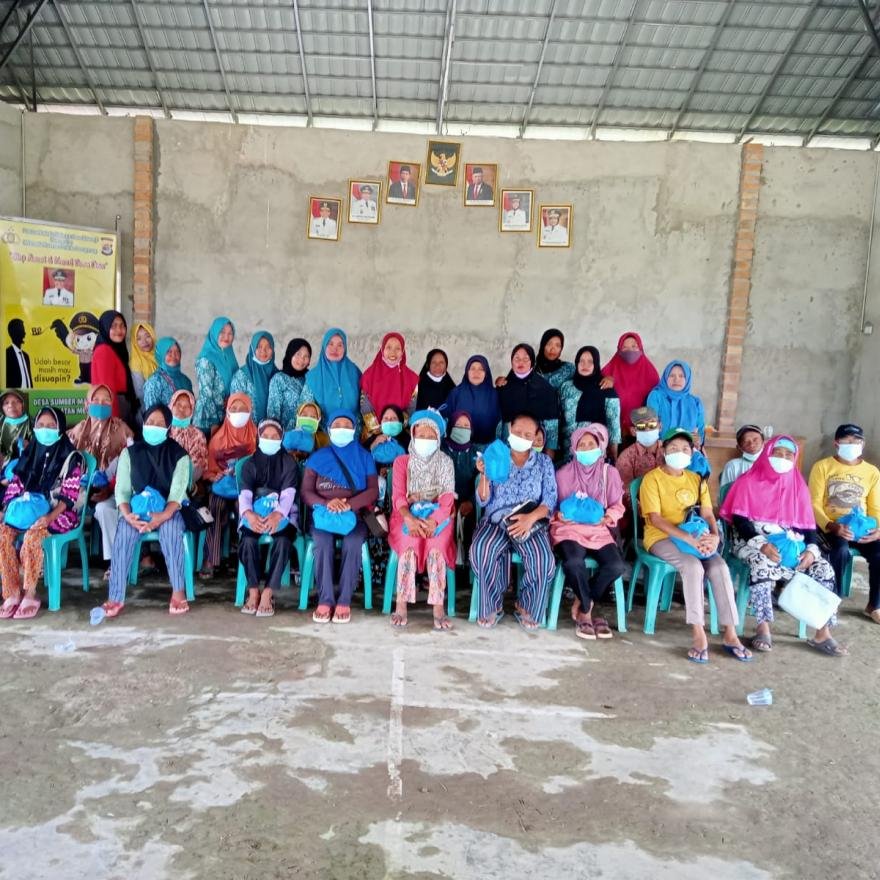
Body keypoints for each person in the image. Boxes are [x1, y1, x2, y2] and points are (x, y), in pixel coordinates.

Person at [721, 436, 847, 656]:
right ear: (767, 455)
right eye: (777, 453)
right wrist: (761, 544)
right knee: (762, 563)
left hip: (790, 543)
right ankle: (762, 627)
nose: (783, 458)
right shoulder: (748, 481)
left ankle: (822, 632)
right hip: (751, 540)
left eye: (789, 455)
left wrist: (811, 550)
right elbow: (740, 521)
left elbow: (807, 525)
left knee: (823, 568)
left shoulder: (797, 486)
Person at [639, 427, 751, 663]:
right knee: (693, 567)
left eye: (684, 449)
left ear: (692, 453)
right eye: (673, 448)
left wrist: (714, 536)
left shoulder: (696, 480)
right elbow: (655, 519)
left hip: (695, 537)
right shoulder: (652, 479)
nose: (679, 452)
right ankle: (699, 633)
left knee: (719, 567)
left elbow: (708, 513)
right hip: (661, 537)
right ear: (663, 450)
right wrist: (687, 538)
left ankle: (730, 633)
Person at [99, 404, 192, 618]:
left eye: (160, 423)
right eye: (150, 422)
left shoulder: (179, 455)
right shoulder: (130, 453)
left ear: (168, 427)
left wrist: (163, 516)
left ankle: (178, 591)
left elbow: (177, 494)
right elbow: (122, 491)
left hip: (169, 510)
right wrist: (128, 515)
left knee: (170, 530)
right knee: (124, 530)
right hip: (137, 511)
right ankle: (115, 597)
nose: (154, 426)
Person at [470, 412, 558, 630]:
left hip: (529, 522)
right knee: (482, 549)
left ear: (536, 437)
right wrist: (484, 475)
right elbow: (483, 500)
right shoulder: (497, 456)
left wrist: (530, 518)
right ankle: (492, 605)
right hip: (496, 521)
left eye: (528, 434)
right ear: (510, 430)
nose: (522, 437)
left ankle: (526, 605)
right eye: (518, 432)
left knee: (543, 559)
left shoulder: (544, 463)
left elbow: (550, 500)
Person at [0, 407, 85, 619]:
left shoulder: (71, 457)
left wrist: (48, 517)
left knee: (32, 536)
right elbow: (15, 486)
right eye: (40, 425)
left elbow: (69, 497)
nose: (45, 429)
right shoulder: (30, 453)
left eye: (51, 425)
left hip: (60, 514)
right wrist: (6, 511)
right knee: (3, 534)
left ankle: (30, 593)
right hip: (27, 511)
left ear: (60, 428)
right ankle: (12, 592)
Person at [300, 410, 379, 624]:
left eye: (347, 425)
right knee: (322, 541)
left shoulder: (364, 456)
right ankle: (325, 599)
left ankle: (344, 599)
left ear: (354, 429)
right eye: (337, 425)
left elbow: (373, 491)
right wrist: (327, 503)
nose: (342, 429)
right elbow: (306, 492)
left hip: (355, 515)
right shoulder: (318, 457)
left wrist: (349, 505)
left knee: (353, 542)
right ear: (329, 429)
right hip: (323, 515)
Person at [552, 425, 626, 640]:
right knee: (573, 563)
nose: (586, 449)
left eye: (591, 444)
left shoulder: (609, 473)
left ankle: (584, 604)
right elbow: (550, 505)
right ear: (574, 448)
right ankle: (587, 613)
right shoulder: (563, 474)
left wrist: (607, 517)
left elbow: (617, 505)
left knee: (616, 565)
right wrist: (558, 515)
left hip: (598, 530)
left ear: (600, 446)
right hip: (568, 530)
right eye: (581, 445)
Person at [389, 410, 456, 630]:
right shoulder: (402, 462)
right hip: (406, 514)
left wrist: (435, 521)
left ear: (438, 438)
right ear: (413, 435)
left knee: (436, 546)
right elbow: (398, 496)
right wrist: (409, 518)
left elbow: (447, 498)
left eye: (431, 436)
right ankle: (401, 604)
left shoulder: (445, 462)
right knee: (409, 543)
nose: (425, 440)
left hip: (438, 515)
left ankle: (438, 607)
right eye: (421, 435)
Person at [808, 423, 880, 622]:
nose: (852, 444)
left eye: (856, 441)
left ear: (863, 444)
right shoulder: (822, 467)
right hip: (832, 526)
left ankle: (874, 605)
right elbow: (813, 503)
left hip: (862, 526)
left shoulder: (872, 472)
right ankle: (834, 599)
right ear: (836, 443)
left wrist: (877, 529)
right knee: (839, 550)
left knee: (879, 553)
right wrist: (831, 526)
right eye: (846, 440)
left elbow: (875, 507)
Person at [67, 384, 134, 576]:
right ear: (87, 404)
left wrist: (110, 487)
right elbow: (67, 464)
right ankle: (43, 559)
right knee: (55, 505)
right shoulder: (78, 431)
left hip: (112, 489)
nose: (100, 404)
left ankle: (116, 563)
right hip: (80, 490)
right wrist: (80, 484)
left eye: (106, 401)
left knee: (105, 510)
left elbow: (131, 465)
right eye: (95, 400)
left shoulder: (122, 430)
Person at [238, 419, 299, 617]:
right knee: (247, 541)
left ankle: (268, 593)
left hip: (283, 513)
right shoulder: (249, 464)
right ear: (259, 437)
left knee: (283, 542)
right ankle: (253, 591)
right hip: (254, 513)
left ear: (281, 438)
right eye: (265, 436)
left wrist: (278, 514)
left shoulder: (288, 463)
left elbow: (289, 494)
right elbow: (245, 495)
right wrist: (249, 514)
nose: (270, 439)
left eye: (274, 436)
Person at [199, 393, 257, 579]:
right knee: (215, 507)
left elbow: (261, 465)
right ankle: (210, 558)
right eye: (234, 408)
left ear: (250, 411)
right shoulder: (218, 439)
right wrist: (214, 476)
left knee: (246, 509)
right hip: (222, 487)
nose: (238, 412)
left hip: (246, 488)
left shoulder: (256, 435)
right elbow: (209, 468)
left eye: (243, 409)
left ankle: (247, 558)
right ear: (227, 411)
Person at [559, 345, 621, 462]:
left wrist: (614, 457)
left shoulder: (606, 389)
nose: (585, 365)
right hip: (568, 454)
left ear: (596, 364)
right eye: (581, 361)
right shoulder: (566, 387)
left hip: (594, 455)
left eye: (590, 362)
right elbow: (559, 418)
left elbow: (614, 428)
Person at [497, 344, 559, 458]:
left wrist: (549, 456)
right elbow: (498, 424)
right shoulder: (503, 388)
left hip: (535, 450)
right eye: (517, 358)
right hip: (508, 450)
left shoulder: (545, 388)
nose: (521, 362)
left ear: (532, 362)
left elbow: (552, 426)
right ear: (512, 362)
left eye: (526, 359)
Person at [301, 328, 362, 429]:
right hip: (323, 434)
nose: (335, 349)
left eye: (340, 345)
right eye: (330, 344)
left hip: (353, 432)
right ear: (324, 346)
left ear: (345, 348)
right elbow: (306, 411)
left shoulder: (355, 372)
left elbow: (364, 405)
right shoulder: (313, 377)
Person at [360, 332, 419, 436]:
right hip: (373, 434)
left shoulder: (412, 378)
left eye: (397, 348)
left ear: (403, 351)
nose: (393, 352)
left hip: (400, 432)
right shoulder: (369, 376)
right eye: (389, 347)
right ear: (382, 349)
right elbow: (365, 407)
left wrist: (396, 428)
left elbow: (411, 409)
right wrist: (377, 430)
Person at [601, 332, 660, 435]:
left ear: (641, 349)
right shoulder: (608, 373)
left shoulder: (651, 374)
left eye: (634, 346)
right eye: (624, 347)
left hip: (643, 432)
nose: (630, 351)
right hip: (613, 433)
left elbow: (656, 406)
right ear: (618, 350)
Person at [90, 310, 139, 427]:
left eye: (122, 326)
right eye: (114, 326)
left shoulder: (115, 350)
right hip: (113, 410)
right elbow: (107, 391)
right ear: (105, 327)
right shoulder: (104, 351)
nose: (119, 330)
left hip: (119, 406)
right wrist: (113, 423)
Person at [443, 410, 478, 566]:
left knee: (471, 523)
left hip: (468, 503)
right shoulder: (441, 449)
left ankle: (466, 567)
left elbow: (482, 481)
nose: (462, 429)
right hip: (443, 502)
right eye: (458, 425)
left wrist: (471, 502)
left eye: (466, 426)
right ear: (450, 426)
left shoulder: (476, 453)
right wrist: (448, 503)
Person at [194, 317, 239, 436]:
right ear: (214, 333)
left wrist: (232, 399)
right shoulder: (205, 359)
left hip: (226, 416)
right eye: (222, 332)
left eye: (230, 333)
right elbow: (206, 394)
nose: (226, 337)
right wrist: (214, 424)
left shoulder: (229, 355)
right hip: (208, 421)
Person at [444, 356, 501, 448]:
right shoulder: (456, 393)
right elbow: (445, 418)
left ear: (486, 373)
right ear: (467, 372)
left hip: (487, 448)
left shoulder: (495, 395)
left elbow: (501, 425)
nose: (476, 372)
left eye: (481, 369)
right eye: (472, 368)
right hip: (459, 448)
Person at [647, 360, 706, 447]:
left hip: (687, 452)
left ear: (687, 379)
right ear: (665, 377)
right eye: (672, 375)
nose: (676, 379)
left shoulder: (696, 403)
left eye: (681, 376)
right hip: (659, 450)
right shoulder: (656, 396)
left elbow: (700, 434)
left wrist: (698, 440)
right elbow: (650, 428)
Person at [616, 406, 665, 511]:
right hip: (643, 511)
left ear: (660, 426)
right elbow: (626, 493)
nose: (647, 429)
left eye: (652, 425)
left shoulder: (669, 450)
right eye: (641, 426)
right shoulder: (626, 457)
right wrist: (648, 513)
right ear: (633, 431)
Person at [231, 331, 278, 424]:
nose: (263, 351)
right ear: (252, 348)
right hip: (247, 428)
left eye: (268, 347)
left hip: (271, 430)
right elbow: (235, 408)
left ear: (273, 350)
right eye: (259, 347)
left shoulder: (278, 376)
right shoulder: (241, 376)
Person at [267, 338, 312, 430]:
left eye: (306, 356)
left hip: (308, 434)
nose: (302, 359)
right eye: (298, 354)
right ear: (290, 354)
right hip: (285, 435)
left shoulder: (311, 378)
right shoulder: (279, 379)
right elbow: (273, 413)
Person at [168, 390, 208, 483]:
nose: (182, 408)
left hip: (186, 482)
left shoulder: (197, 435)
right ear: (171, 405)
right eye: (178, 404)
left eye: (187, 406)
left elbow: (197, 466)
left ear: (192, 410)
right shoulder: (163, 429)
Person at [143, 337, 193, 410]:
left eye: (177, 351)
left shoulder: (186, 381)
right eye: (169, 352)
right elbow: (152, 413)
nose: (174, 355)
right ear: (161, 354)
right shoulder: (154, 382)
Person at [720, 425, 765, 492]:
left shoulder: (772, 464)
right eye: (746, 442)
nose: (751, 444)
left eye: (755, 440)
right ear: (739, 447)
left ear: (763, 442)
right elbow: (725, 494)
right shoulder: (732, 466)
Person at [1, 390, 32, 477]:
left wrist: (28, 446)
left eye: (16, 401)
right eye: (6, 403)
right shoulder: (1, 422)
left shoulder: (31, 422)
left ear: (23, 404)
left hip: (25, 466)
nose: (11, 405)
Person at [129, 321, 158, 410]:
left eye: (148, 336)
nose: (144, 341)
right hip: (146, 407)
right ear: (134, 341)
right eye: (139, 338)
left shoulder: (158, 356)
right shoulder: (135, 362)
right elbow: (140, 392)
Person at [5, 318, 32, 388]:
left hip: (29, 394)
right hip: (15, 394)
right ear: (15, 333)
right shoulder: (7, 354)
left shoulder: (26, 356)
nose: (24, 333)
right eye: (22, 330)